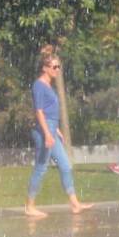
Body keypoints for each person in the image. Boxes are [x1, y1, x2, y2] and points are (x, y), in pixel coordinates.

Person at [24, 48, 92, 218]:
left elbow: (50, 111)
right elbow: (39, 111)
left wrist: (57, 130)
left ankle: (75, 204)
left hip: (52, 129)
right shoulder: (39, 85)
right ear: (45, 68)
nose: (57, 70)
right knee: (41, 168)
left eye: (58, 67)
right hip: (43, 130)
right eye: (54, 67)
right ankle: (29, 206)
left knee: (65, 166)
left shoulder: (49, 86)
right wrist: (47, 133)